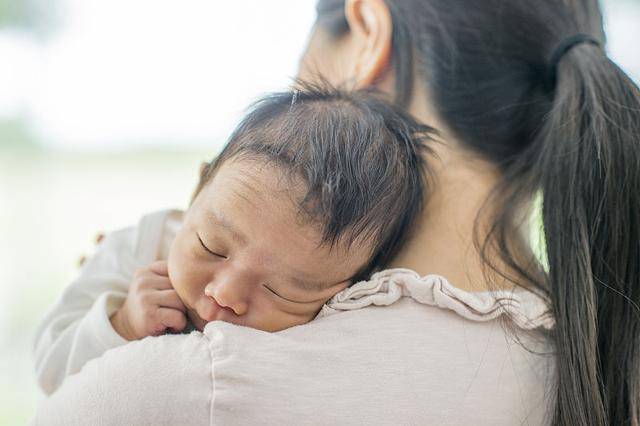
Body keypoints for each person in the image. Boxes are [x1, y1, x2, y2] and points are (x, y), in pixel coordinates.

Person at [31, 0, 640, 425]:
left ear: (368, 33)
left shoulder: (184, 385)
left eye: (291, 286)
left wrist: (109, 331)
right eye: (213, 244)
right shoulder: (602, 359)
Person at [33, 83, 437, 392]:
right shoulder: (142, 244)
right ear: (197, 190)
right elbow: (50, 369)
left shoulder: (351, 321)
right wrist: (121, 323)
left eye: (283, 291)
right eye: (211, 246)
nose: (225, 293)